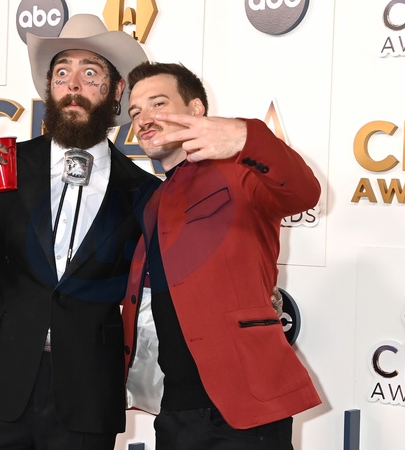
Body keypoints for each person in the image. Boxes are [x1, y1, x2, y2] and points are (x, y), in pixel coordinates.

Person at [0, 15, 161, 450]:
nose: (73, 85)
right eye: (62, 73)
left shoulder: (143, 191)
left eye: (90, 73)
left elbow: (169, 285)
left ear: (117, 89)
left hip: (87, 395)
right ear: (49, 88)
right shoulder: (3, 164)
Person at [121, 62, 322, 450]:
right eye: (135, 112)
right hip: (174, 411)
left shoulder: (241, 170)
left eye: (158, 103)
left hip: (245, 407)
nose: (143, 118)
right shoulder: (154, 201)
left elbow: (303, 193)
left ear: (196, 109)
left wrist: (248, 137)